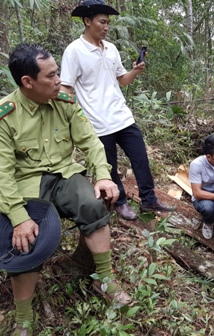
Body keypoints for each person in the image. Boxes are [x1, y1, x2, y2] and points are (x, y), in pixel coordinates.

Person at [0, 44, 130, 336]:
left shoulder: (66, 102)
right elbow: (3, 173)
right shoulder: (6, 115)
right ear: (27, 82)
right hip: (25, 183)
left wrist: (103, 176)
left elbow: (91, 143)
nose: (59, 79)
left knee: (92, 203)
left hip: (64, 174)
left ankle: (104, 279)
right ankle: (24, 316)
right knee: (24, 240)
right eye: (51, 75)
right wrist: (19, 216)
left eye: (58, 72)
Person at [60, 0, 174, 221]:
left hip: (122, 116)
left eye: (108, 23)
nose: (106, 27)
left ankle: (149, 200)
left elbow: (122, 80)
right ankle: (120, 201)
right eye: (102, 22)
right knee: (108, 165)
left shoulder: (111, 49)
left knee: (140, 157)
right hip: (97, 122)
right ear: (87, 21)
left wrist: (135, 71)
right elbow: (66, 87)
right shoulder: (74, 51)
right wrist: (75, 117)